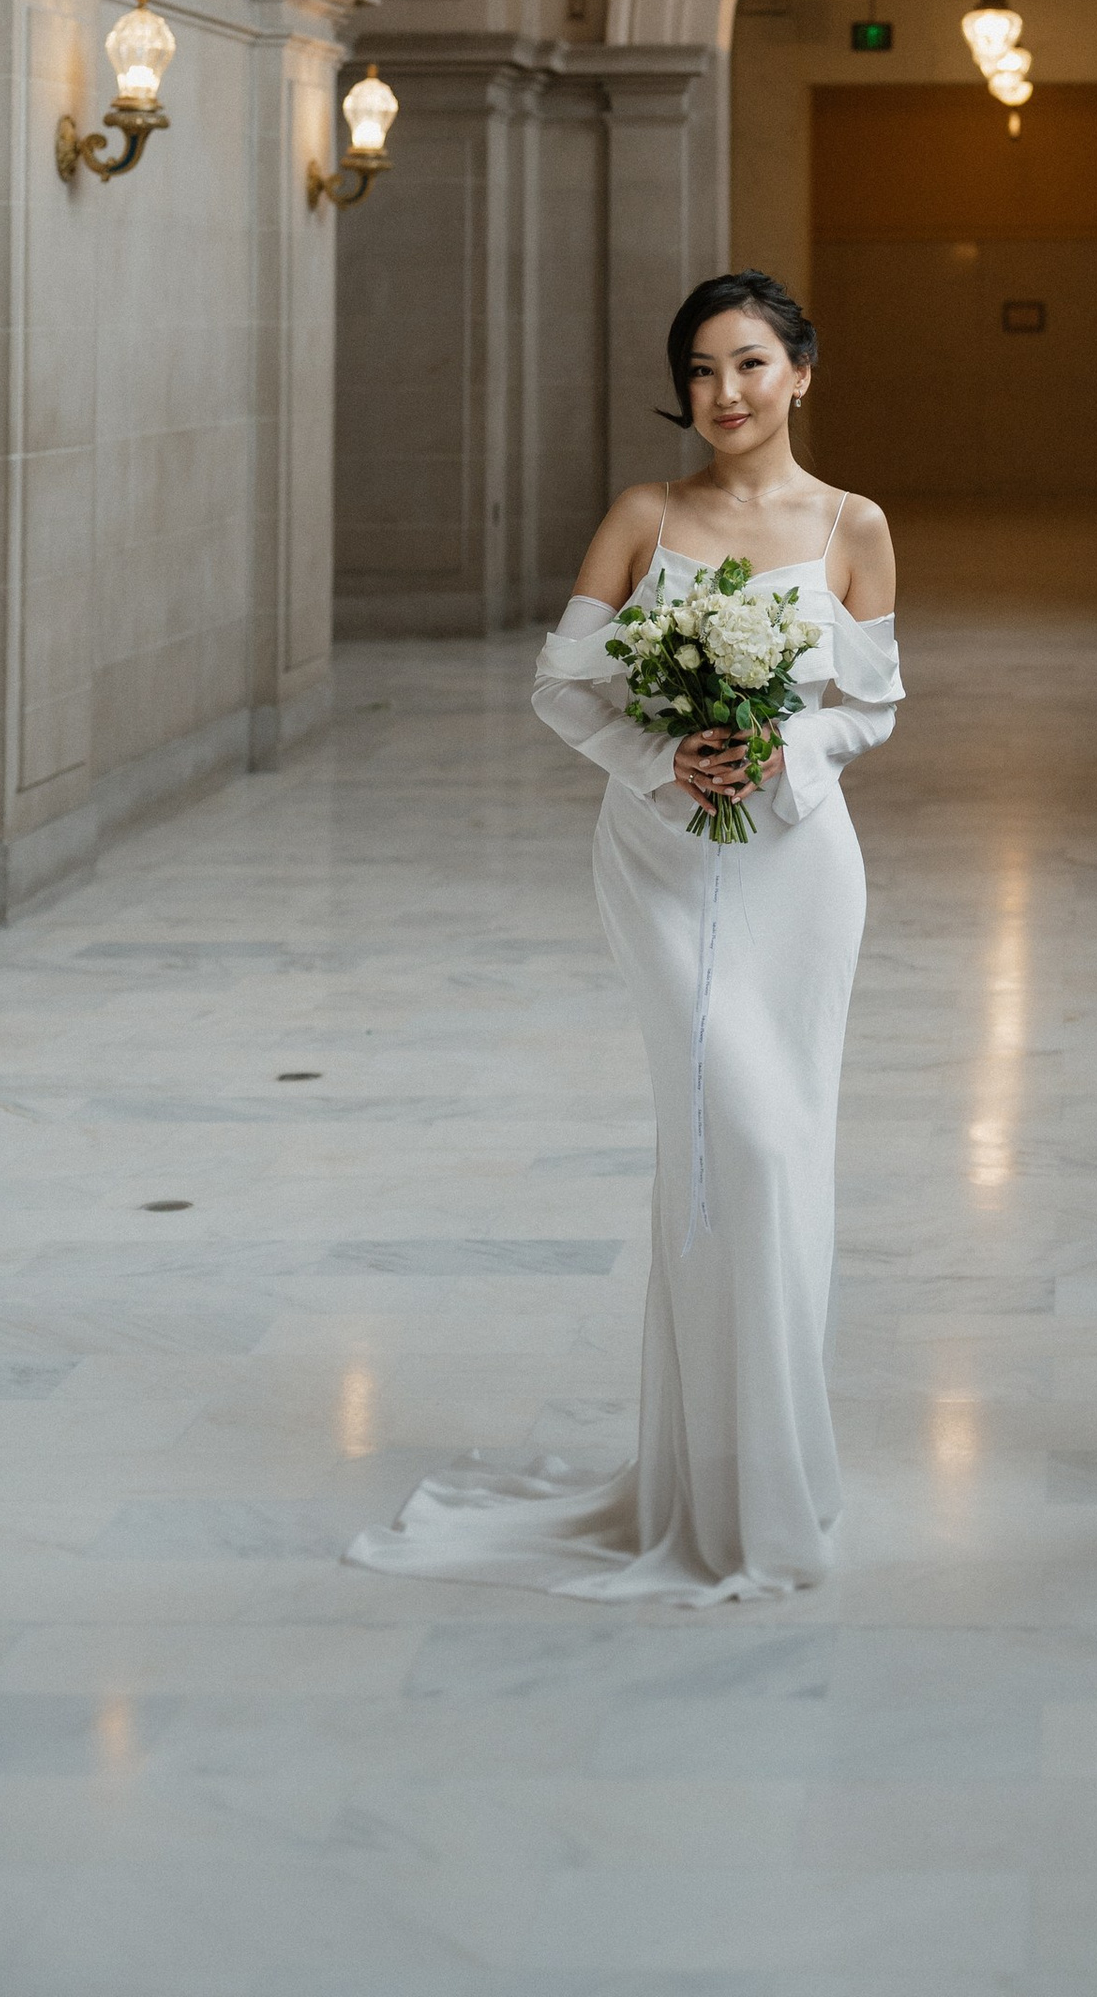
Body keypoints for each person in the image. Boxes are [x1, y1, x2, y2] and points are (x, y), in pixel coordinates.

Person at [348, 271, 899, 1606]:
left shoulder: (852, 524)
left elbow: (870, 701)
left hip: (799, 865)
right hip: (660, 861)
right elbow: (558, 682)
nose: (727, 393)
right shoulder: (646, 518)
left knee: (789, 1153)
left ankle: (768, 1472)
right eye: (704, 370)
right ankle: (709, 1483)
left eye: (753, 364)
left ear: (803, 372)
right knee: (731, 1142)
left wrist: (784, 742)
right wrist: (664, 760)